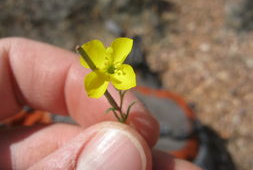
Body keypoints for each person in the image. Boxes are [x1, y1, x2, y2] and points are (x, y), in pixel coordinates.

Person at [0, 38, 202, 170]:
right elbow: (96, 90)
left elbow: (126, 71)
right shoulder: (97, 82)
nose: (111, 66)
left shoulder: (115, 71)